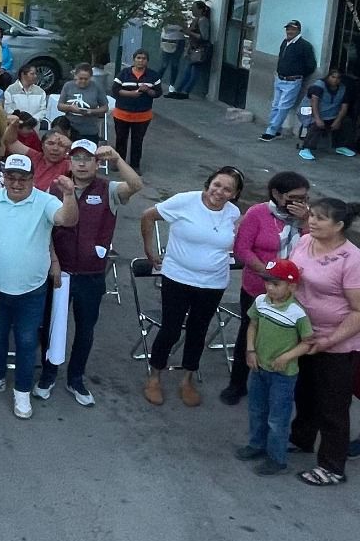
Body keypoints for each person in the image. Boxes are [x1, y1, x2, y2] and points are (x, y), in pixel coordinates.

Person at [0, 154, 77, 420]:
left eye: (23, 178)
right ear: (4, 178)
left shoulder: (45, 201)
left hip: (32, 288)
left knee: (27, 341)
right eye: (11, 177)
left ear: (32, 178)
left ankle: (22, 390)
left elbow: (67, 219)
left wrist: (70, 195)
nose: (16, 183)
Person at [34, 141, 142, 405]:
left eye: (88, 158)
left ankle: (76, 379)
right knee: (50, 326)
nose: (82, 163)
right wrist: (54, 261)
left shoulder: (110, 189)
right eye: (77, 158)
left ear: (97, 163)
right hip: (60, 272)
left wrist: (117, 159)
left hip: (91, 274)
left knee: (85, 329)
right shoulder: (55, 188)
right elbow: (46, 229)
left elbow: (136, 186)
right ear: (69, 163)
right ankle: (48, 374)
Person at [139, 167, 244, 408]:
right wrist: (150, 250)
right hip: (177, 277)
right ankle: (154, 377)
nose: (219, 191)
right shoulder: (184, 201)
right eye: (217, 184)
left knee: (198, 330)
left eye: (227, 189)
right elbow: (147, 215)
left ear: (235, 194)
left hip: (213, 283)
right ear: (209, 183)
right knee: (171, 329)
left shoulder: (233, 212)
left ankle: (187, 379)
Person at [286, 198, 360, 487]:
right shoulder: (305, 242)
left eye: (320, 218)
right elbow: (292, 277)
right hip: (304, 334)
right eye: (312, 216)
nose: (312, 221)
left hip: (337, 343)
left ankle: (332, 467)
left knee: (333, 406)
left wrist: (329, 340)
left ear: (339, 226)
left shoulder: (352, 259)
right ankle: (301, 438)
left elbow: (358, 310)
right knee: (304, 393)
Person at [222, 171, 311, 405]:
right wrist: (268, 274)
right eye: (293, 197)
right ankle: (237, 383)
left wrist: (305, 222)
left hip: (294, 290)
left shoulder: (308, 219)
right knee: (249, 331)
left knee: (289, 335)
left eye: (303, 197)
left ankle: (281, 384)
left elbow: (315, 245)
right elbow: (242, 248)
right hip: (258, 286)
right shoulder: (258, 214)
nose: (300, 202)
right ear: (276, 194)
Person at [233, 259, 313, 476]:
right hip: (259, 367)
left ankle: (277, 458)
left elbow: (307, 342)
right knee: (256, 410)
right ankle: (256, 445)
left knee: (277, 417)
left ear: (292, 286)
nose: (269, 288)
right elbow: (253, 324)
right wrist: (250, 350)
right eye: (267, 282)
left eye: (276, 284)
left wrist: (287, 356)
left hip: (283, 375)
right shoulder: (260, 301)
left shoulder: (297, 313)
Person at [263, 20, 317, 141]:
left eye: (292, 29)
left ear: (298, 30)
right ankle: (275, 129)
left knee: (283, 106)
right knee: (275, 105)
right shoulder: (285, 43)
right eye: (288, 29)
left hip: (292, 81)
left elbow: (311, 65)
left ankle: (270, 131)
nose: (289, 31)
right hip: (280, 79)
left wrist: (298, 74)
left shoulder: (304, 46)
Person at [110, 49, 161, 171]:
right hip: (122, 114)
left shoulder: (153, 75)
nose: (141, 60)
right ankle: (119, 164)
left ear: (147, 61)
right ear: (134, 60)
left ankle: (135, 166)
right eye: (138, 58)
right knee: (121, 140)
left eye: (143, 58)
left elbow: (158, 93)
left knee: (137, 142)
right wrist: (130, 94)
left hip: (142, 116)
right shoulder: (124, 73)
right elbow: (115, 90)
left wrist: (148, 90)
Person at [300, 70, 355, 161]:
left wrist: (338, 120)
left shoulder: (343, 89)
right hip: (311, 112)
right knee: (316, 125)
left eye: (338, 78)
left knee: (346, 122)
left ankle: (340, 146)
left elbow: (344, 107)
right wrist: (318, 119)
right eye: (333, 77)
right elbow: (314, 102)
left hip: (330, 114)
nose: (335, 80)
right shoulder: (319, 86)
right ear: (328, 77)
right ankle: (306, 148)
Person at [57, 64, 108, 141]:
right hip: (70, 128)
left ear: (90, 78)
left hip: (90, 129)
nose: (83, 81)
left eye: (86, 79)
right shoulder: (68, 86)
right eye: (80, 78)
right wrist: (69, 107)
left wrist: (92, 111)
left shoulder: (97, 87)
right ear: (75, 76)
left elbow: (105, 107)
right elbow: (60, 106)